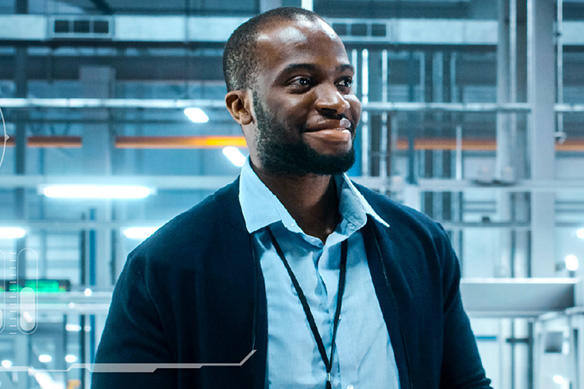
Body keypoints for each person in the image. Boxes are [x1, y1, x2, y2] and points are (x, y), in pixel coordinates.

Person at [92, 7, 492, 389]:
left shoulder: (420, 246)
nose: (336, 102)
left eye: (344, 82)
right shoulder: (167, 265)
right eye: (302, 82)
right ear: (241, 107)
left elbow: (464, 382)